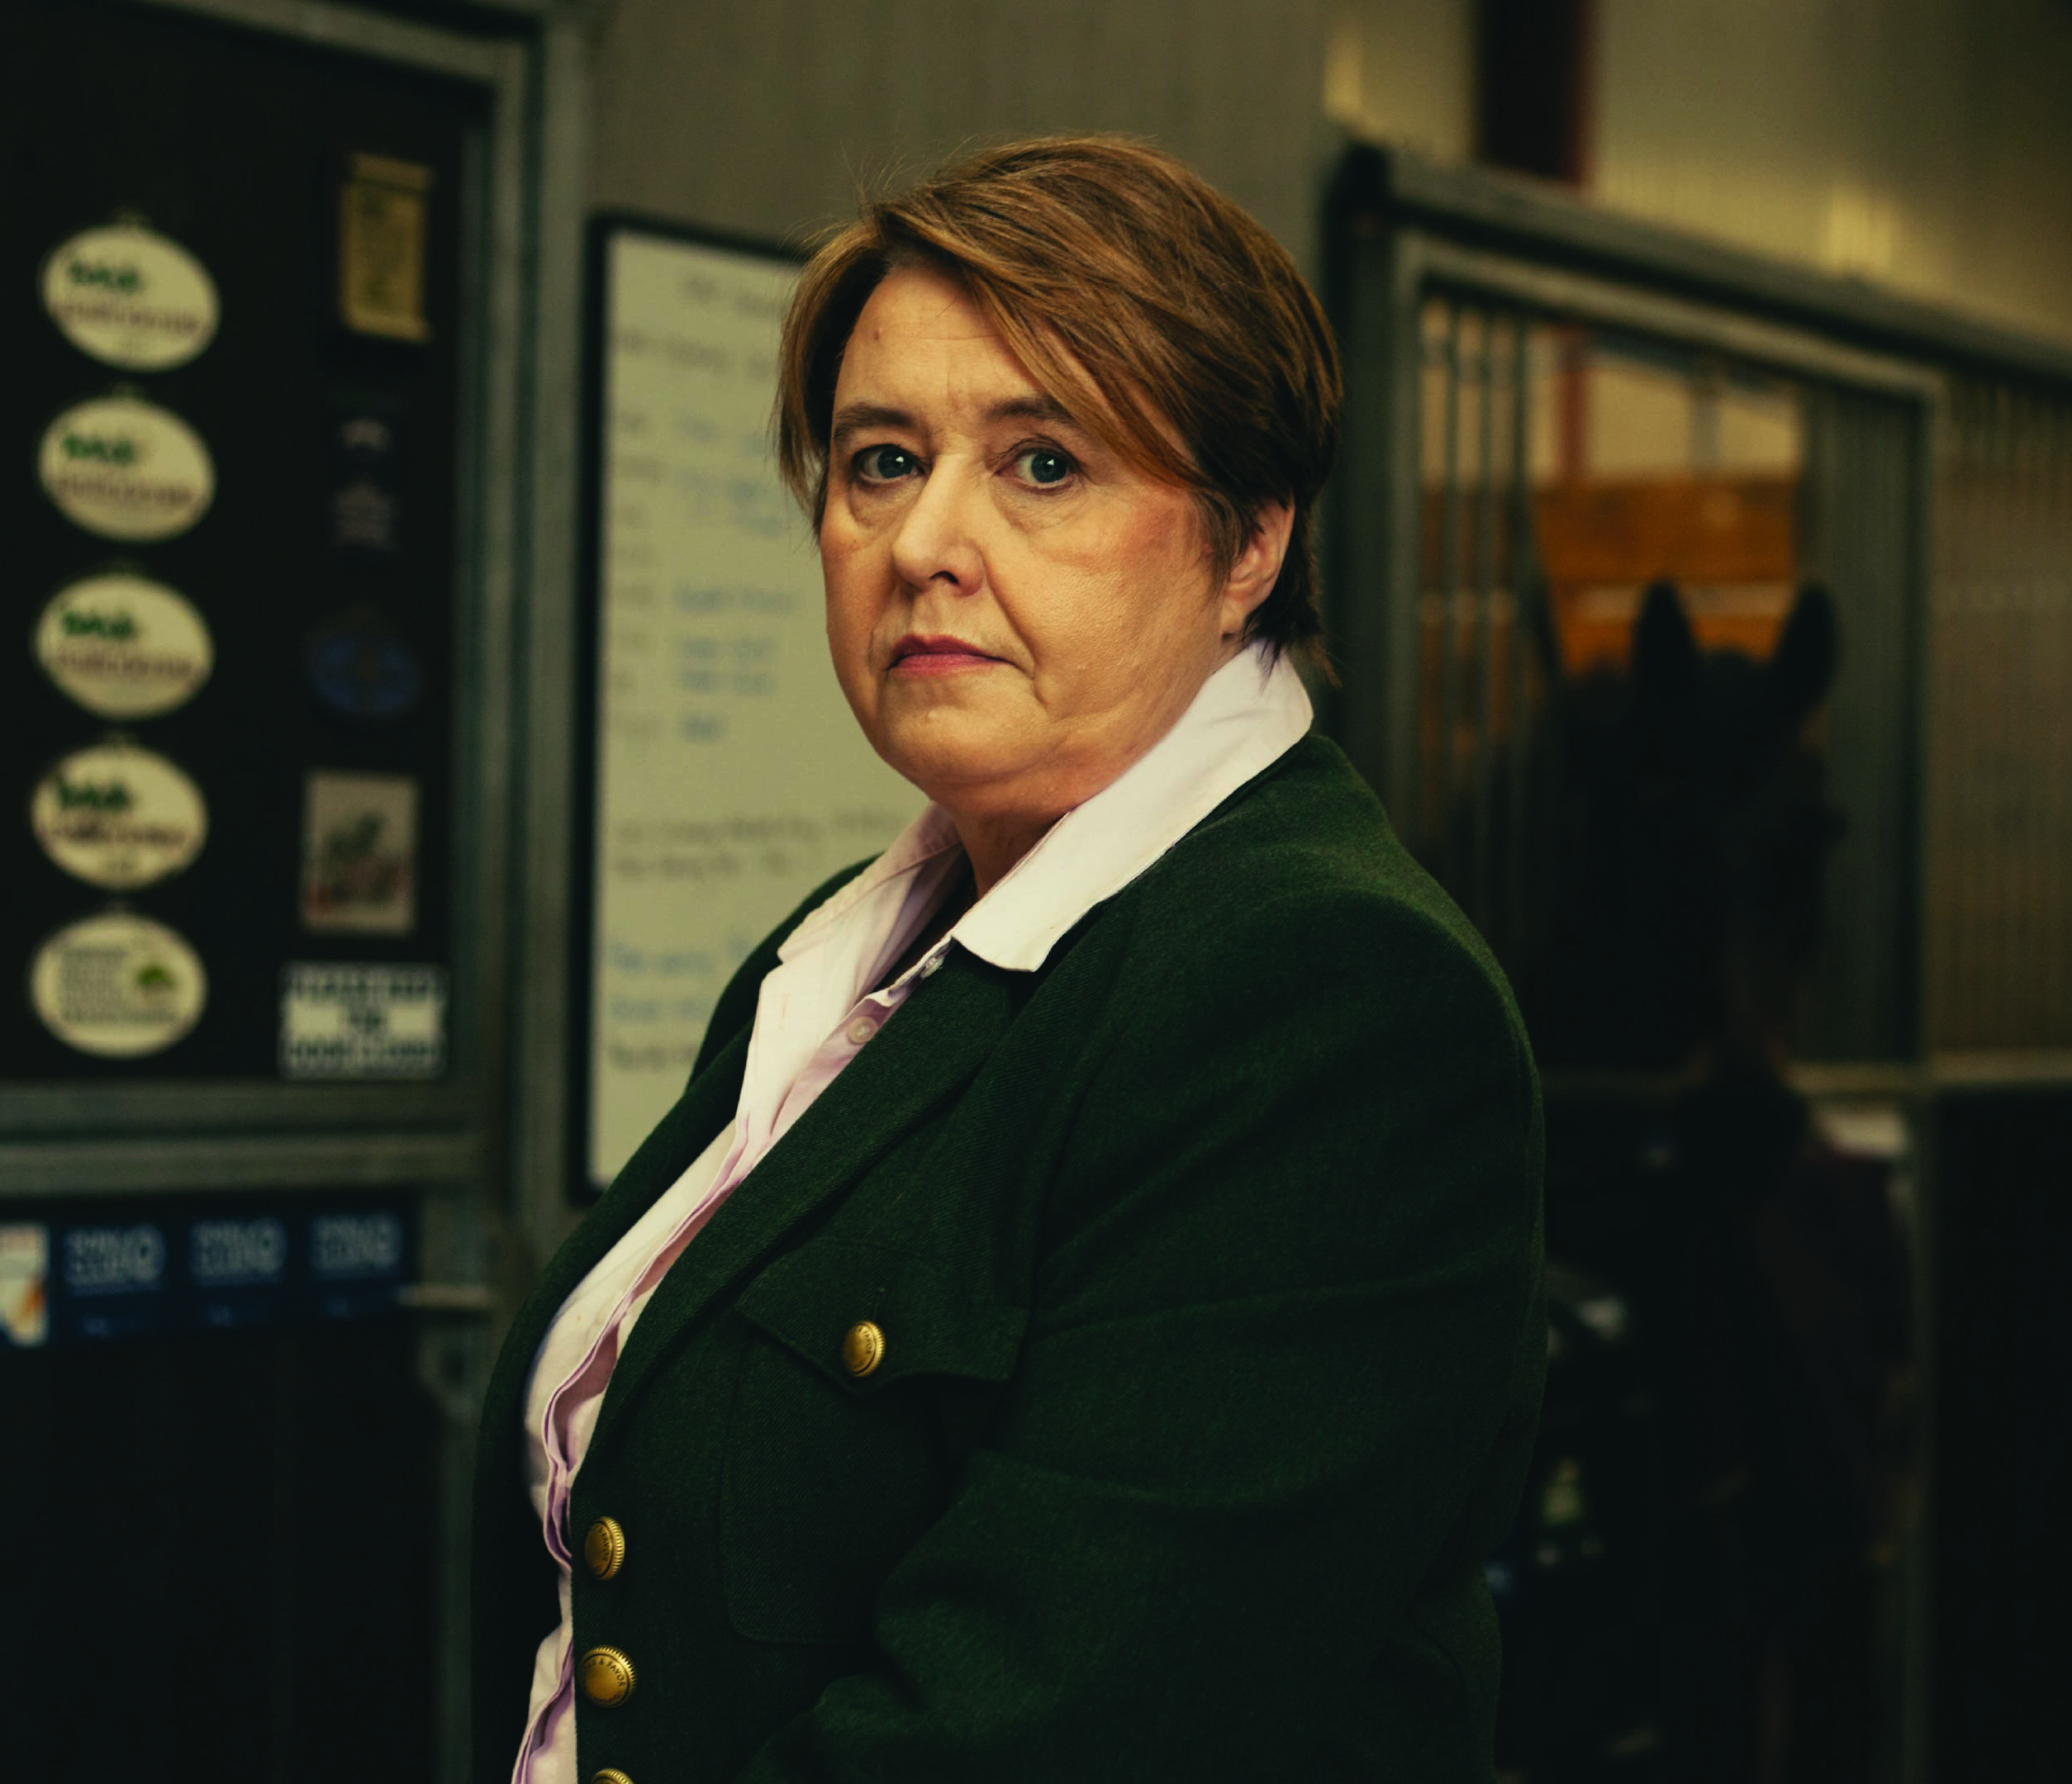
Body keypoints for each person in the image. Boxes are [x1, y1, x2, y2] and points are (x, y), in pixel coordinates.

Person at [470, 135, 1545, 1784]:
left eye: (1044, 465)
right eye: (881, 461)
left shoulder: (1324, 992)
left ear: (1251, 543)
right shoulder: (845, 954)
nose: (923, 541)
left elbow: (1053, 1729)